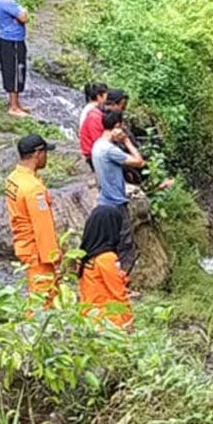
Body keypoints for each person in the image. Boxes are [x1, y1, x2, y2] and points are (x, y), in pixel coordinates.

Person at [5, 134, 59, 298]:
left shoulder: (13, 178)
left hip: (23, 245)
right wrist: (53, 256)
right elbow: (42, 226)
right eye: (45, 153)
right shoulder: (34, 189)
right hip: (37, 252)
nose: (46, 157)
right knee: (42, 297)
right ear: (37, 154)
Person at [91, 110, 145, 274]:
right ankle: (122, 282)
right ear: (117, 126)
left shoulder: (97, 145)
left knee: (110, 243)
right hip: (115, 203)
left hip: (103, 200)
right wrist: (127, 141)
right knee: (125, 243)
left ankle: (109, 279)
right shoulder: (109, 150)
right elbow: (139, 162)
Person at [78, 206, 133, 329]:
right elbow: (118, 294)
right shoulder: (107, 258)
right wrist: (128, 322)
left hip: (88, 319)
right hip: (108, 322)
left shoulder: (86, 256)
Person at [0, 0, 29, 118]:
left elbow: (20, 18)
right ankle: (13, 107)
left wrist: (19, 17)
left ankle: (17, 104)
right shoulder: (6, 2)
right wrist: (23, 13)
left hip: (13, 40)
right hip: (11, 41)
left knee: (17, 70)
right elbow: (24, 17)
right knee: (13, 71)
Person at [80, 88, 127, 164]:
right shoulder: (95, 117)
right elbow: (99, 144)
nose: (123, 110)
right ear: (113, 104)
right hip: (94, 155)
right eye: (123, 107)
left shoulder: (108, 114)